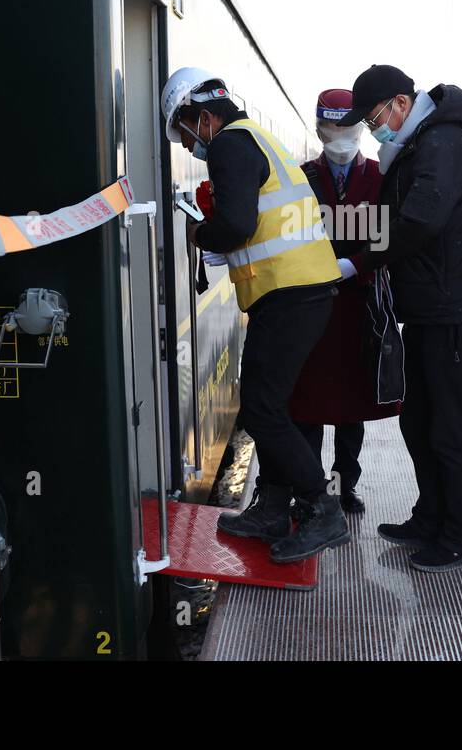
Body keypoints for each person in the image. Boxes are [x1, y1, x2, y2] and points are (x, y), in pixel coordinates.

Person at [160, 67, 346, 563]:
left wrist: (202, 234)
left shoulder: (228, 146)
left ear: (201, 117)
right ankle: (271, 505)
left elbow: (238, 224)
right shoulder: (257, 138)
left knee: (262, 407)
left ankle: (321, 510)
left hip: (290, 294)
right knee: (272, 405)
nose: (186, 147)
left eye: (182, 134)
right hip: (302, 291)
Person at [335, 64, 462, 573]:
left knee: (452, 427)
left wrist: (360, 261)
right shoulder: (415, 145)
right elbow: (392, 217)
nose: (372, 128)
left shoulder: (441, 142)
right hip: (427, 309)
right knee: (420, 421)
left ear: (401, 105)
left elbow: (419, 220)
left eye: (375, 116)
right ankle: (431, 517)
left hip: (454, 312)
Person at [289, 88, 401, 513]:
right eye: (331, 128)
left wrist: (355, 266)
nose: (340, 136)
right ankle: (310, 488)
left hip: (359, 309)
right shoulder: (302, 179)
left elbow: (387, 238)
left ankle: (343, 486)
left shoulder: (379, 176)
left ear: (361, 128)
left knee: (351, 406)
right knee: (309, 404)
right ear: (318, 129)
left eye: (348, 127)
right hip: (312, 310)